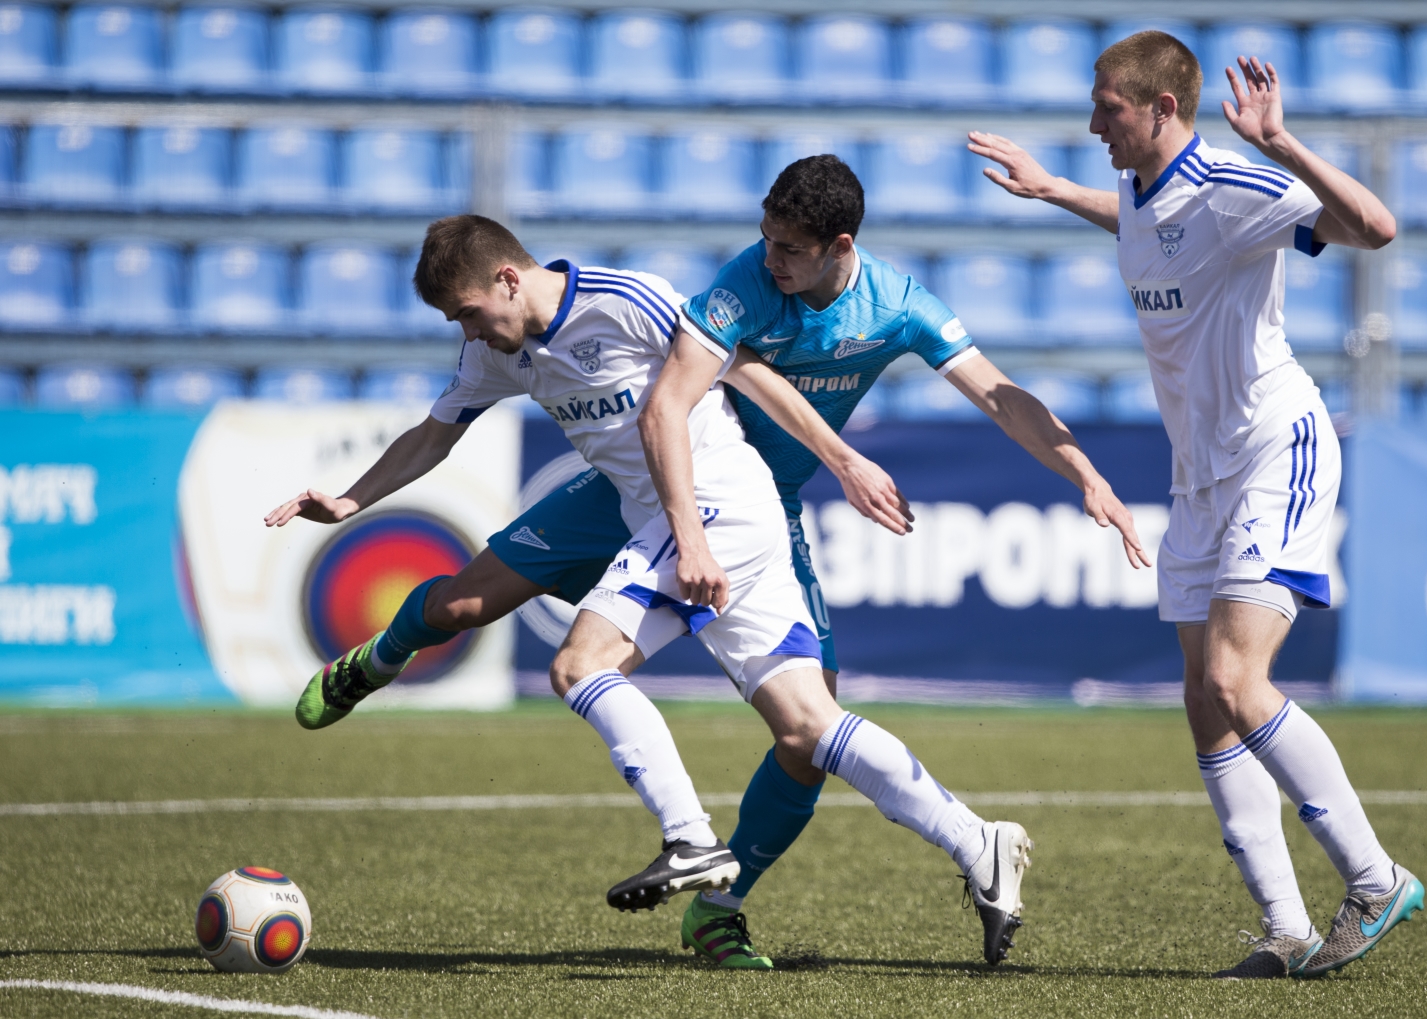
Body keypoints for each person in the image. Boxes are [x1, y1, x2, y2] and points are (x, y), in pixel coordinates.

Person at [272, 158, 1152, 968]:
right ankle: (376, 661)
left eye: (788, 249)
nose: (767, 260)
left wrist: (1078, 472)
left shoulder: (878, 304)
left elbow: (971, 392)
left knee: (776, 726)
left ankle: (717, 890)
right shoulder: (717, 289)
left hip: (720, 499)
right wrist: (352, 498)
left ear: (839, 248)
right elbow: (515, 421)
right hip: (652, 496)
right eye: (764, 239)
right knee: (466, 610)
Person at [970, 31, 1422, 980]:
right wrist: (1056, 189)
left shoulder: (1234, 186)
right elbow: (1145, 222)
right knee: (1205, 704)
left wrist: (1282, 144)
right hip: (1198, 474)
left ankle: (1377, 880)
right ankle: (1288, 930)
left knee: (1233, 677)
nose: (1094, 123)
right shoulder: (1142, 188)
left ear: (1160, 109)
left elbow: (1376, 228)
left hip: (1274, 449)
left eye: (1108, 107)